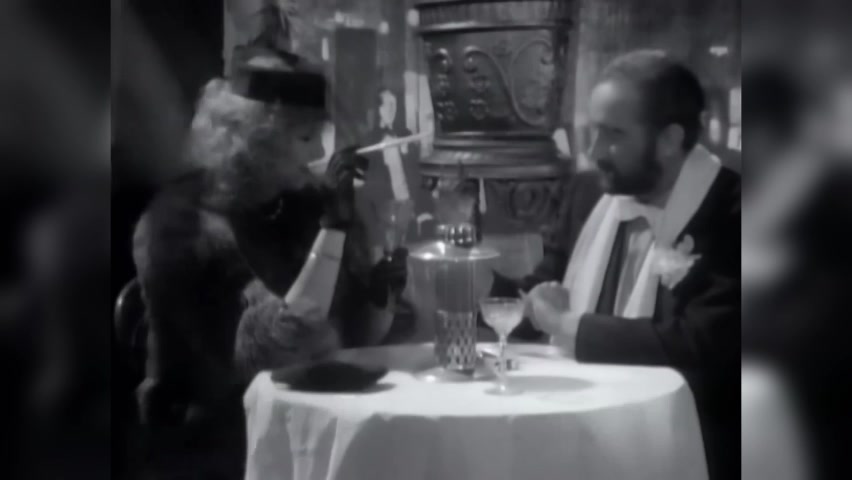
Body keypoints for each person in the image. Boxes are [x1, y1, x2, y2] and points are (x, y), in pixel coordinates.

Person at [131, 45, 407, 478]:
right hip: (215, 444)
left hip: (309, 427)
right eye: (304, 138)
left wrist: (378, 300)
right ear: (254, 142)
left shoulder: (302, 203)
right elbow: (272, 354)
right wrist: (332, 232)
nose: (317, 151)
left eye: (319, 135)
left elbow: (348, 341)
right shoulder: (183, 224)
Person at [497, 50, 740, 480]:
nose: (594, 152)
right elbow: (541, 298)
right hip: (575, 436)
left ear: (669, 140)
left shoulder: (733, 211)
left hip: (690, 449)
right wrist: (480, 282)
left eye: (613, 135)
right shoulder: (590, 194)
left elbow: (702, 346)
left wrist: (569, 325)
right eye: (594, 131)